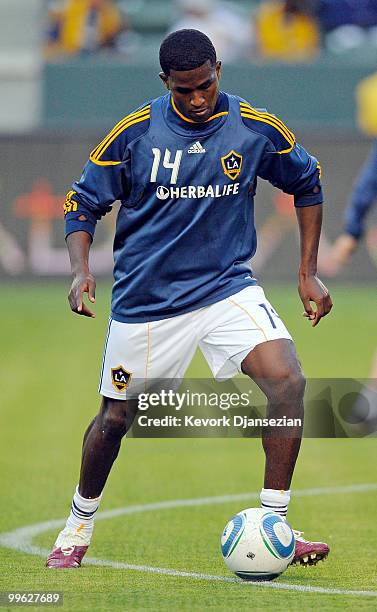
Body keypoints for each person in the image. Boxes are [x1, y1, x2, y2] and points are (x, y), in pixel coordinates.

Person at [46, 29, 332, 569]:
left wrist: (308, 273)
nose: (198, 99)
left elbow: (308, 180)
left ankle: (275, 524)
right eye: (184, 91)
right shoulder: (135, 134)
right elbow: (81, 204)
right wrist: (80, 270)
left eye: (205, 85)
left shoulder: (253, 127)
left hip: (226, 288)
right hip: (148, 304)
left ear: (218, 70)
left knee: (288, 379)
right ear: (165, 84)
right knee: (114, 419)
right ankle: (77, 527)